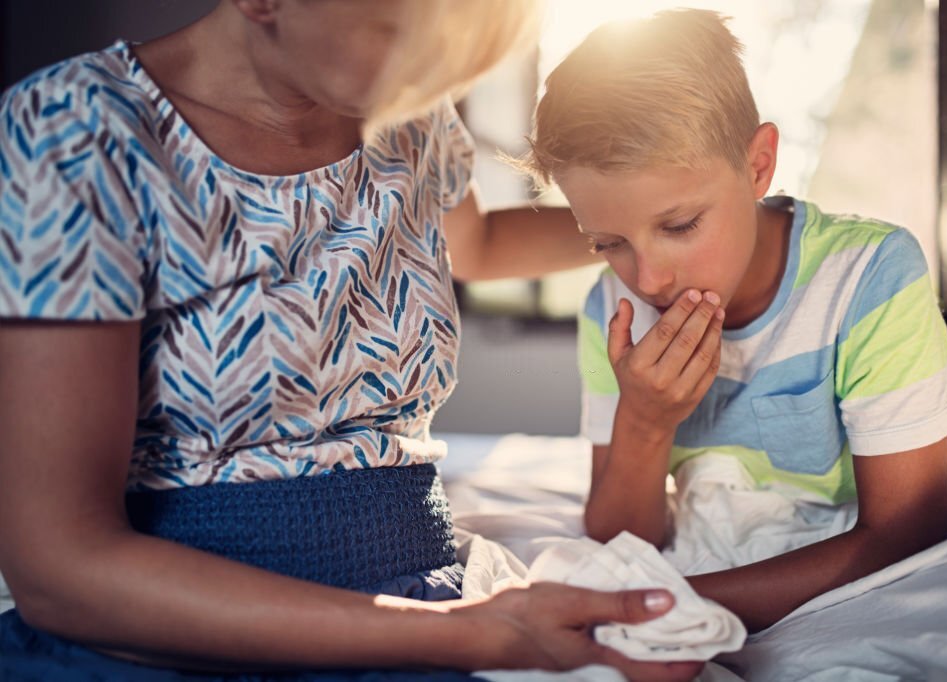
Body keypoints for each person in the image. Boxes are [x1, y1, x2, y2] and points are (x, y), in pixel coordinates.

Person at [0, 1, 706, 679]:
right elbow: (60, 569)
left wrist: (672, 222)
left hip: (426, 588)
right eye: (403, 33)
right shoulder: (76, 130)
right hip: (186, 625)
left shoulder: (408, 112)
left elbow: (480, 242)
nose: (441, 75)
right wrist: (464, 634)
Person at [519, 9, 947, 633]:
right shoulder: (611, 309)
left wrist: (673, 604)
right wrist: (645, 421)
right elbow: (619, 536)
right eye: (606, 243)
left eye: (679, 226)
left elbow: (908, 531)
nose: (647, 279)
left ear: (758, 165)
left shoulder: (868, 275)